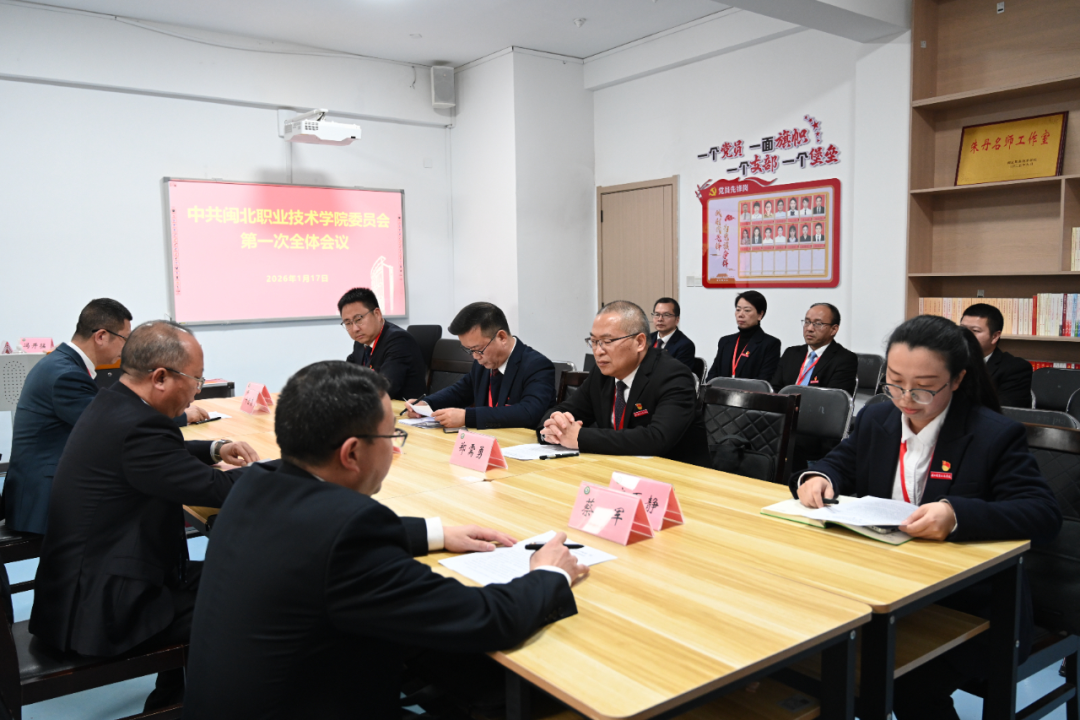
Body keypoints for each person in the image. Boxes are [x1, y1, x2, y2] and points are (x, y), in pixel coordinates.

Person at [182, 362, 585, 720]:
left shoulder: (256, 483)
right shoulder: (350, 535)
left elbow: (319, 535)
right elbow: (484, 619)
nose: (394, 448)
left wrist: (437, 533)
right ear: (352, 453)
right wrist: (549, 574)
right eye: (391, 436)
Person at [793, 315, 1061, 720]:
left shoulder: (993, 433)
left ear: (957, 379)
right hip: (883, 589)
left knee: (905, 683)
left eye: (923, 388)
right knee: (804, 647)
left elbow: (1043, 515)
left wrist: (956, 515)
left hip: (966, 607)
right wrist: (818, 477)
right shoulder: (877, 419)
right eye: (895, 382)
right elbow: (839, 462)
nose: (906, 398)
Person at [29, 320, 260, 711]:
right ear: (160, 378)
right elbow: (220, 490)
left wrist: (214, 449)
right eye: (197, 380)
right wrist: (293, 468)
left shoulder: (114, 403)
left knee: (235, 574)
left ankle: (173, 696)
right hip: (103, 609)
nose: (197, 391)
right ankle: (200, 705)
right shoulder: (139, 428)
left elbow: (159, 454)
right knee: (251, 599)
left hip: (84, 584)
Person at [3, 299, 205, 535]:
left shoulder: (61, 363)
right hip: (41, 501)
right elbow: (114, 426)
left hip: (41, 488)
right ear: (101, 336)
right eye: (125, 339)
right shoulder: (66, 375)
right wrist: (180, 416)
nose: (127, 349)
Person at [538, 301, 709, 466]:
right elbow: (561, 411)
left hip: (674, 475)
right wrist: (555, 426)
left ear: (639, 342)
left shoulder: (673, 376)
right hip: (617, 469)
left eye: (607, 341)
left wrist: (580, 437)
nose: (598, 351)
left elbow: (657, 438)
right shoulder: (601, 374)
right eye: (594, 342)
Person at [405, 302, 555, 429]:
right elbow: (459, 392)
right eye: (469, 350)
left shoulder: (537, 366)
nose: (475, 356)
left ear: (501, 337)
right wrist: (425, 404)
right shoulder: (483, 363)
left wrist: (467, 417)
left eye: (478, 349)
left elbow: (529, 412)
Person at [340, 287, 426, 400]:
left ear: (377, 314)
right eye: (348, 323)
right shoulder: (361, 342)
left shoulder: (398, 340)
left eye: (359, 319)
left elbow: (385, 388)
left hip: (403, 408)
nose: (355, 328)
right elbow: (346, 374)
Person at [771, 303, 857, 394]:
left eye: (818, 324)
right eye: (807, 322)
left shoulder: (844, 359)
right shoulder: (791, 353)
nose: (809, 328)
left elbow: (834, 398)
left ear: (833, 329)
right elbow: (774, 390)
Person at [960, 303, 1033, 408]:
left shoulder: (1015, 369)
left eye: (975, 331)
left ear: (995, 336)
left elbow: (1005, 411)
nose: (965, 335)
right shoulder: (949, 360)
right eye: (963, 329)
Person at [704, 291, 781, 383]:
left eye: (747, 310)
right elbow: (712, 377)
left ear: (760, 315)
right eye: (738, 309)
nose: (740, 315)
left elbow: (763, 381)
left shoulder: (770, 344)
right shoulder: (725, 341)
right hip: (720, 391)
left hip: (750, 392)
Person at [647, 297, 696, 371]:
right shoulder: (647, 338)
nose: (660, 319)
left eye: (666, 315)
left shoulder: (685, 345)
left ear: (677, 320)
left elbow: (678, 374)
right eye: (657, 314)